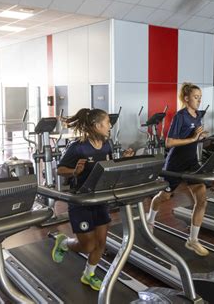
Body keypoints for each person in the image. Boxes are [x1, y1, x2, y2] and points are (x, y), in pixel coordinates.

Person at [51, 108, 134, 291]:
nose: (110, 126)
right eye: (107, 123)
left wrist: (123, 160)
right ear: (97, 126)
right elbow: (59, 169)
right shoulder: (78, 147)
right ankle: (63, 242)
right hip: (81, 201)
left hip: (100, 199)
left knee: (101, 244)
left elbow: (110, 166)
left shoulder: (107, 144)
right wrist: (75, 171)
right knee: (88, 245)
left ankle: (88, 274)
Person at [146, 82, 210, 256]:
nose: (199, 100)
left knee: (202, 199)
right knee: (164, 197)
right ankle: (150, 219)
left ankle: (193, 240)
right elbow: (169, 142)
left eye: (200, 97)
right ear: (186, 98)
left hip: (191, 162)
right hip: (175, 163)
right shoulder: (180, 116)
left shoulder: (197, 116)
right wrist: (192, 139)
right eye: (196, 97)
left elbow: (193, 136)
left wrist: (200, 137)